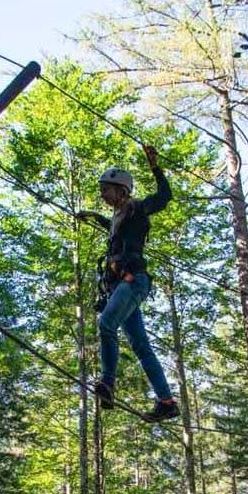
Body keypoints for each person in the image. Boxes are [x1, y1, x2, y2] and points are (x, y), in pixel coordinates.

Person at [77, 145, 180, 423]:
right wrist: (91, 216)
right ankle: (166, 401)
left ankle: (108, 382)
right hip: (124, 284)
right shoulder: (117, 217)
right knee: (141, 347)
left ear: (122, 190)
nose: (103, 195)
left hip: (133, 281)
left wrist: (155, 166)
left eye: (106, 190)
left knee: (106, 324)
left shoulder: (136, 208)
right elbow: (113, 231)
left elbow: (164, 196)